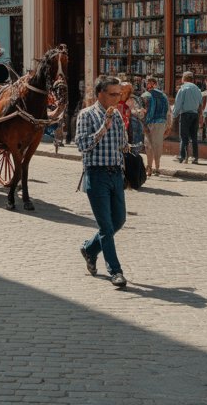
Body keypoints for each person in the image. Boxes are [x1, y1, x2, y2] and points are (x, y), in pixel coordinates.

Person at [76, 75, 130, 289]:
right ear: (100, 94)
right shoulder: (86, 115)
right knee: (106, 227)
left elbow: (122, 144)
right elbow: (82, 145)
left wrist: (131, 149)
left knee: (119, 221)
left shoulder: (117, 115)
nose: (118, 98)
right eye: (113, 94)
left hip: (116, 174)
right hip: (96, 175)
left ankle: (89, 249)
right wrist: (102, 129)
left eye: (120, 94)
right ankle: (115, 271)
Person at [140, 76, 171, 176]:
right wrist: (168, 125)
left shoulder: (145, 95)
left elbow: (142, 111)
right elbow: (168, 111)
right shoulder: (163, 96)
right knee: (157, 144)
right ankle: (156, 167)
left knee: (149, 145)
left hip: (149, 122)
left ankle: (149, 167)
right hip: (161, 122)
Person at [172, 70, 203, 164]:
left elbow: (178, 103)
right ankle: (195, 157)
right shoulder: (197, 89)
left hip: (185, 114)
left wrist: (174, 115)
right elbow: (200, 103)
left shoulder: (183, 88)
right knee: (194, 137)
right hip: (195, 114)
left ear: (184, 78)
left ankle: (182, 156)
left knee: (184, 136)